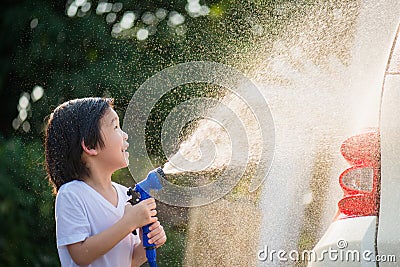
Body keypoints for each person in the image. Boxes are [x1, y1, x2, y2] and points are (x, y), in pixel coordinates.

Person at [44, 97, 166, 267]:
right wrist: (129, 222)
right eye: (115, 126)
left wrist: (147, 245)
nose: (125, 135)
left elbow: (127, 261)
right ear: (90, 145)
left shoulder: (125, 195)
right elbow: (81, 255)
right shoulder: (71, 194)